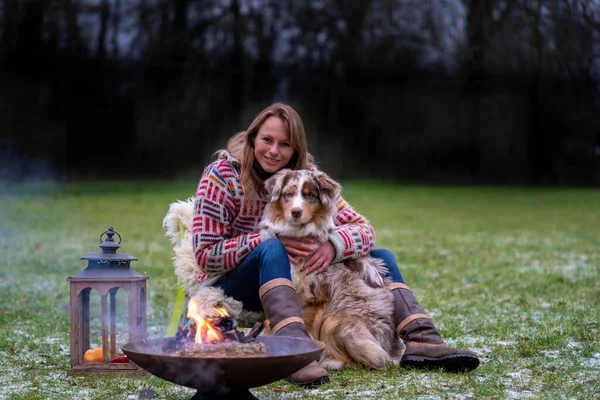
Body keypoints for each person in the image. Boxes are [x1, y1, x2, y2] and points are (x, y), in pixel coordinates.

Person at [191, 103, 479, 386]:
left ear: (296, 150)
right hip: (234, 287)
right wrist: (268, 239)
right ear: (253, 138)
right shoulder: (221, 176)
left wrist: (333, 244)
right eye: (267, 140)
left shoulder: (307, 175)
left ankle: (421, 340)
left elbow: (364, 229)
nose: (274, 151)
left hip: (294, 286)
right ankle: (294, 353)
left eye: (285, 144)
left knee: (380, 256)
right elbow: (205, 256)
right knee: (272, 248)